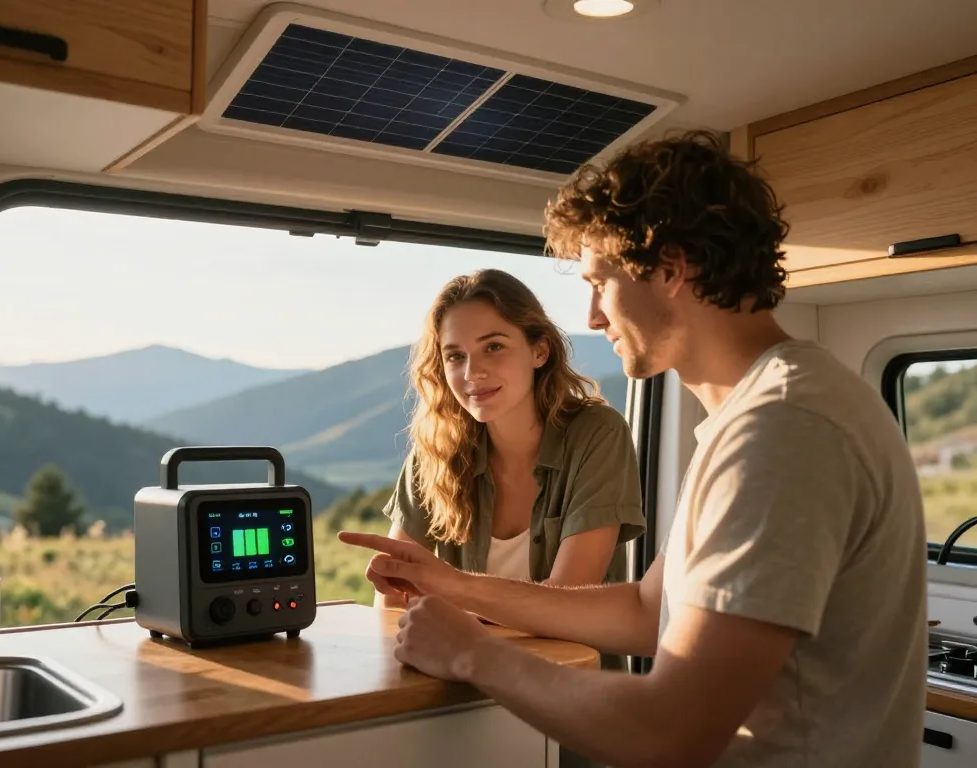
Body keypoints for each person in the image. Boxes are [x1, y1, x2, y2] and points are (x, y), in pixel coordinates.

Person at [340, 130, 929, 768]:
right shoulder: (758, 415)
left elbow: (673, 732)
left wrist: (471, 653)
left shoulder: (783, 428)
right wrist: (453, 585)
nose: (593, 316)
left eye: (601, 282)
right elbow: (649, 611)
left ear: (670, 269)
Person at [378, 269, 645, 640]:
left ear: (539, 351)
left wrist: (449, 602)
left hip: (566, 684)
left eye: (493, 347)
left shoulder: (597, 434)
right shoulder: (435, 453)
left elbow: (566, 603)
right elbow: (392, 602)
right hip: (454, 683)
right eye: (455, 356)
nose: (472, 372)